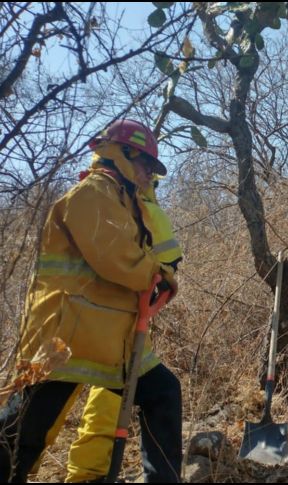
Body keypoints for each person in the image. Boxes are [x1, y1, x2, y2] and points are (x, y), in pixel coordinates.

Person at [0, 120, 182, 483]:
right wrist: (159, 277)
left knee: (162, 391)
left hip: (108, 335)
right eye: (147, 164)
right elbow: (118, 258)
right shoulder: (91, 195)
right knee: (24, 431)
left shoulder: (123, 199)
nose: (150, 174)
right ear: (123, 155)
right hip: (66, 339)